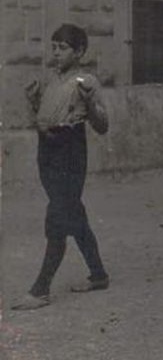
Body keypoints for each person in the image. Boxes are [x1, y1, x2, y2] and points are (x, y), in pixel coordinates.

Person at [12, 24, 111, 311]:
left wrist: (91, 102)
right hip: (48, 149)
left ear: (79, 51)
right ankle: (99, 274)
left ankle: (41, 288)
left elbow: (103, 126)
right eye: (53, 47)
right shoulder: (49, 79)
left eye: (63, 47)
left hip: (70, 149)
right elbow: (41, 117)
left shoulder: (87, 80)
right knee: (72, 212)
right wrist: (33, 104)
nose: (56, 52)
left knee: (58, 215)